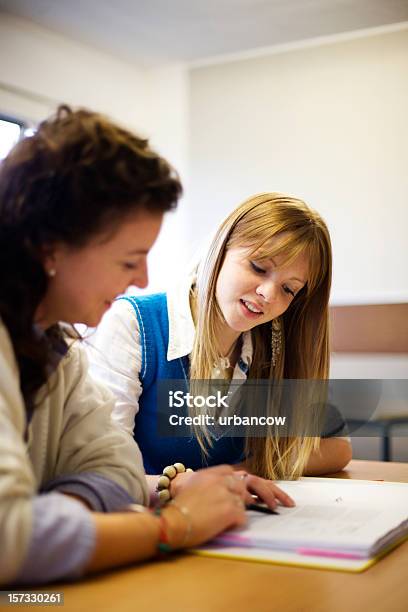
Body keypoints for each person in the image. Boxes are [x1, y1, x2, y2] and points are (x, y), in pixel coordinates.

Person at [0, 106, 263, 586]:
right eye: (130, 259)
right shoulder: (130, 325)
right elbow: (7, 540)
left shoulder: (60, 349)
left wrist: (50, 525)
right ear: (50, 246)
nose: (142, 279)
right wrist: (173, 526)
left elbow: (119, 469)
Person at [89, 193, 352, 500]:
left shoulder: (272, 340)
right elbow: (100, 471)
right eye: (258, 267)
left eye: (289, 289)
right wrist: (176, 486)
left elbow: (335, 447)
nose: (268, 294)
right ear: (220, 249)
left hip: (234, 525)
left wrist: (240, 472)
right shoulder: (132, 323)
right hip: (146, 523)